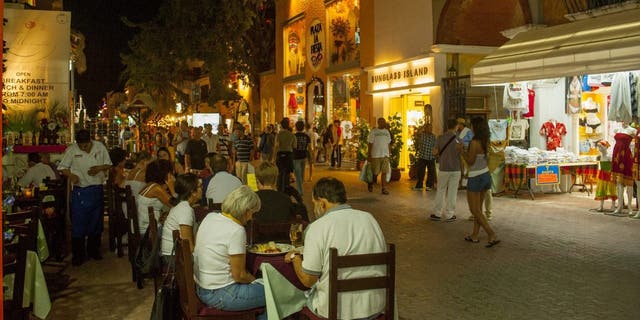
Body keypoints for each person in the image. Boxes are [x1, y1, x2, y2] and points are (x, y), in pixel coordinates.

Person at [284, 177, 387, 319]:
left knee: (294, 304)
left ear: (322, 203)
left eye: (314, 204)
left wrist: (295, 258)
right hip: (373, 306)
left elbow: (308, 280)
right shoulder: (370, 219)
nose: (314, 209)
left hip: (337, 311)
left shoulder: (318, 227)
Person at [194, 186, 266, 319]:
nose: (251, 218)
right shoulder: (236, 230)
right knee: (275, 293)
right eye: (252, 213)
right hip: (221, 293)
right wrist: (256, 281)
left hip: (202, 288)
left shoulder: (210, 217)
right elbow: (239, 275)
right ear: (245, 211)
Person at [58, 129, 112, 266]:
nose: (83, 148)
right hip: (80, 191)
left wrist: (99, 168)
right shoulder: (71, 150)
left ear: (90, 141)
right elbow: (63, 168)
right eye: (80, 146)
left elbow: (109, 164)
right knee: (79, 223)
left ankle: (94, 250)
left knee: (96, 221)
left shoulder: (100, 147)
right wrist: (71, 176)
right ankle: (78, 254)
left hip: (96, 189)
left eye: (86, 145)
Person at [460, 117, 500, 247]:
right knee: (479, 209)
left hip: (476, 177)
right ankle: (475, 235)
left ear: (475, 127)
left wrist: (462, 151)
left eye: (471, 125)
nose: (470, 128)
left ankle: (491, 234)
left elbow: (470, 161)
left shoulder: (474, 142)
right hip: (485, 175)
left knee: (474, 210)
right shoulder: (485, 141)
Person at [430, 119, 462, 222]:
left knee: (440, 190)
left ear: (447, 125)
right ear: (456, 126)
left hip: (443, 168)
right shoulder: (459, 139)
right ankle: (449, 214)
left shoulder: (440, 138)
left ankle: (437, 213)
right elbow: (462, 154)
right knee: (452, 192)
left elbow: (434, 153)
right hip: (456, 169)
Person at [161, 173, 200, 259]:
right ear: (193, 192)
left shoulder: (182, 205)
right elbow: (189, 248)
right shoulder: (185, 210)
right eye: (200, 186)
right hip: (174, 258)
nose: (202, 189)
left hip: (174, 255)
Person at [137, 159, 176, 235]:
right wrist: (172, 187)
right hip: (148, 232)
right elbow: (176, 205)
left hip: (143, 228)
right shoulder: (156, 188)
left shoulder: (150, 185)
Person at [367, 117, 392, 195]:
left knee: (384, 172)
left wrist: (389, 153)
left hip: (385, 155)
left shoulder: (387, 132)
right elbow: (370, 143)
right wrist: (369, 154)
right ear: (378, 123)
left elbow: (388, 143)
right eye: (381, 122)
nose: (383, 123)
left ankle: (383, 188)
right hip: (376, 155)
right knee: (375, 172)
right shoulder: (374, 132)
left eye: (384, 122)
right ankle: (370, 182)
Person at [412, 123, 436, 191]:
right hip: (422, 156)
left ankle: (429, 186)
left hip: (430, 156)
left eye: (431, 128)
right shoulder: (422, 135)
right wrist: (422, 128)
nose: (430, 129)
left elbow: (435, 146)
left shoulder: (433, 136)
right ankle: (419, 185)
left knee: (431, 172)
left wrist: (435, 155)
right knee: (421, 172)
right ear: (425, 128)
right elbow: (416, 133)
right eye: (428, 128)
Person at [273, 118, 296, 192]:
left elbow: (276, 146)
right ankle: (287, 186)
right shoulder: (292, 135)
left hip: (280, 154)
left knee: (280, 172)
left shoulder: (279, 135)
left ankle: (279, 187)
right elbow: (294, 146)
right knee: (288, 172)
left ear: (281, 126)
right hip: (289, 154)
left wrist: (274, 157)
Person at [293, 120, 310, 196]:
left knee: (298, 174)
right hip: (304, 156)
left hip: (296, 157)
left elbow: (292, 146)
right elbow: (309, 147)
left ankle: (300, 190)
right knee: (301, 174)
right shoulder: (306, 136)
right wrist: (311, 156)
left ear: (296, 127)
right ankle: (300, 188)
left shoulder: (294, 136)